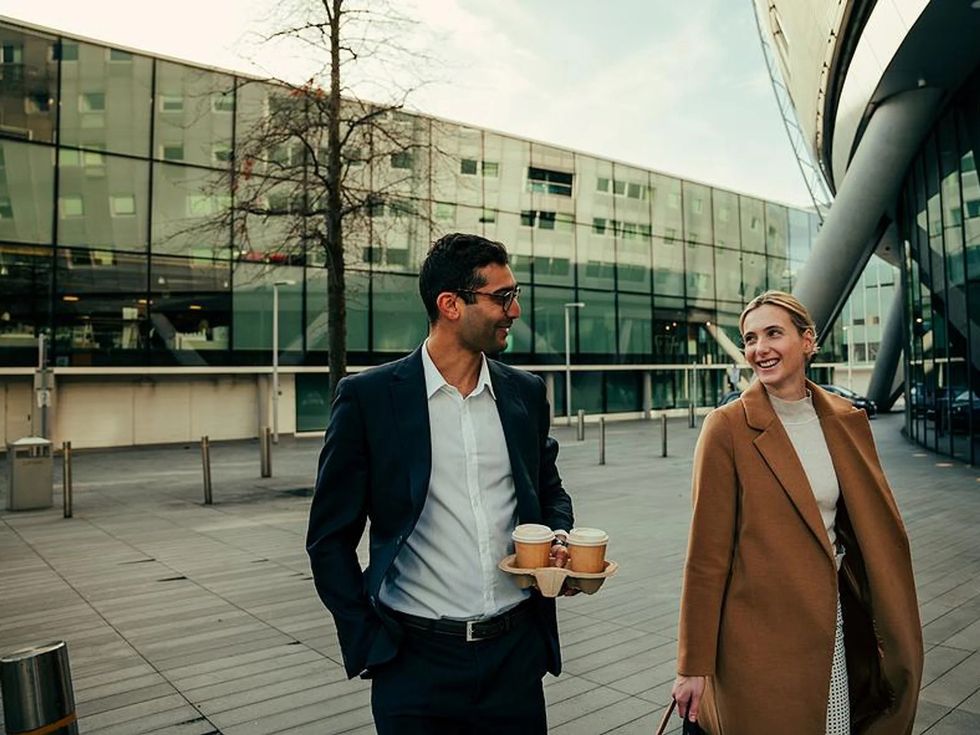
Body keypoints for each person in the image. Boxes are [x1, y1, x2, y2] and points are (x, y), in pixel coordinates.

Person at [306, 232, 574, 734]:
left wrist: (557, 538)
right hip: (414, 664)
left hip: (515, 658)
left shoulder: (525, 393)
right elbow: (328, 539)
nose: (514, 311)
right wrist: (368, 641)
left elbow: (549, 490)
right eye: (503, 297)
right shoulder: (368, 399)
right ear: (450, 304)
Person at [671, 290, 923, 734]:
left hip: (833, 625)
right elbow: (706, 559)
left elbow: (872, 528)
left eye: (773, 333)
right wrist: (692, 665)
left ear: (808, 341)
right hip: (756, 639)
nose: (759, 349)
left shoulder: (845, 419)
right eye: (750, 338)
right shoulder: (726, 429)